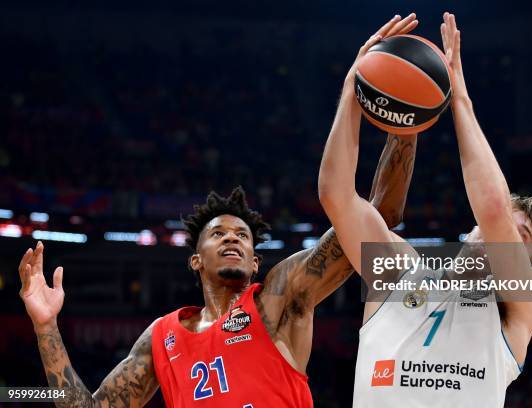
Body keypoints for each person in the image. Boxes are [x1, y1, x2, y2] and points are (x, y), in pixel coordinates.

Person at [18, 16, 419, 402]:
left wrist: (404, 127)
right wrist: (46, 326)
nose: (232, 237)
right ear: (195, 260)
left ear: (256, 261)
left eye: (243, 236)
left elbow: (376, 218)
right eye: (219, 233)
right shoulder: (161, 338)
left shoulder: (277, 299)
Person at [318, 12, 532, 407]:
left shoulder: (522, 311)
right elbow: (336, 196)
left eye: (522, 238)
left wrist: (459, 97)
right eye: (497, 227)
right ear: (471, 228)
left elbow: (495, 210)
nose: (504, 235)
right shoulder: (398, 270)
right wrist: (352, 90)